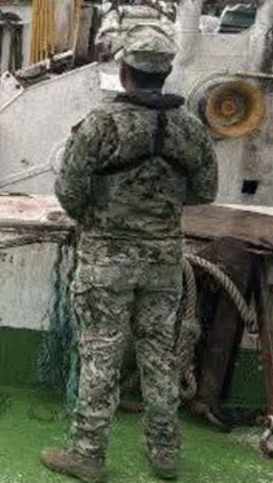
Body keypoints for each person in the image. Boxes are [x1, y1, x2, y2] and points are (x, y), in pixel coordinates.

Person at [41, 26, 218, 482]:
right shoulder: (191, 130)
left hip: (106, 260)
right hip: (163, 262)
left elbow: (69, 192)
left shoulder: (101, 124)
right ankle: (164, 452)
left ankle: (88, 454)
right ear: (166, 73)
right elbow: (204, 191)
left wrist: (102, 217)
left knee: (100, 354)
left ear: (124, 72)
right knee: (159, 354)